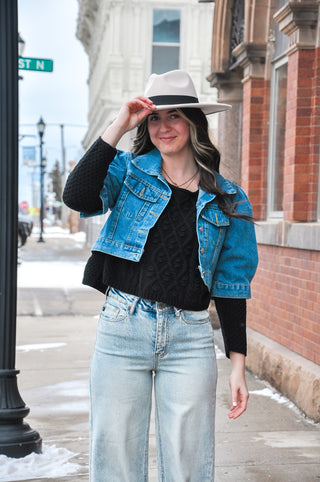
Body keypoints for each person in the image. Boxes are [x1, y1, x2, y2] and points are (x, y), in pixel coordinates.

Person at [63, 69, 258, 481]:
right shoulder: (129, 172)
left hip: (189, 337)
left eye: (174, 116)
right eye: (155, 117)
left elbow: (231, 283)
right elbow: (77, 195)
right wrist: (120, 123)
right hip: (122, 327)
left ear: (193, 123)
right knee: (115, 457)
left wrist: (237, 364)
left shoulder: (228, 198)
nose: (163, 126)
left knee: (189, 464)